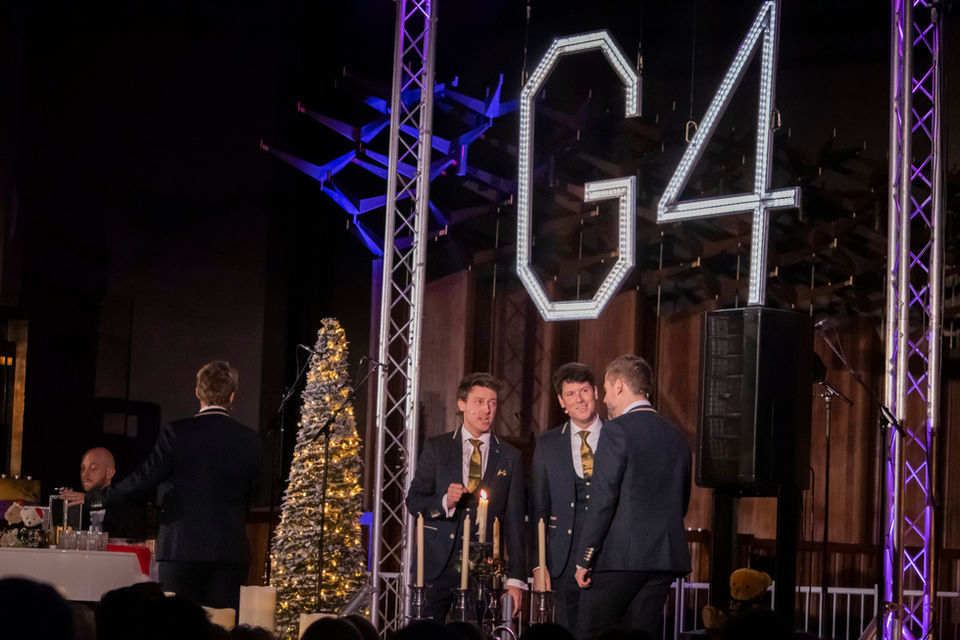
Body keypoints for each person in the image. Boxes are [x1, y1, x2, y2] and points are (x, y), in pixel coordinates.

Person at [65, 361, 263, 611]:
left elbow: (141, 482)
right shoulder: (249, 440)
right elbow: (257, 495)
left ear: (197, 392)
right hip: (230, 552)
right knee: (222, 626)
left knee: (176, 625)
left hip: (181, 549)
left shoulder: (177, 433)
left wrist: (94, 498)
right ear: (232, 396)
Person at [573, 355, 691, 640]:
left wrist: (585, 556)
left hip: (618, 559)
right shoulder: (676, 435)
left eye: (605, 389)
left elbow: (603, 498)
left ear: (620, 386)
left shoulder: (617, 430)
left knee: (591, 634)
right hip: (663, 559)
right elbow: (681, 500)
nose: (604, 399)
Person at [405, 372, 526, 622]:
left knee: (475, 632)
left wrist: (516, 580)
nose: (487, 410)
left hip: (483, 569)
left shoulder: (510, 456)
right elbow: (414, 501)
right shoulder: (437, 447)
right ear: (462, 404)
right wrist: (444, 502)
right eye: (479, 402)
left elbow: (515, 523)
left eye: (492, 403)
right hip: (435, 565)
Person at [529, 362, 602, 631]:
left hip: (608, 558)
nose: (579, 400)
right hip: (563, 561)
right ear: (561, 401)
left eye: (584, 391)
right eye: (571, 394)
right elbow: (538, 508)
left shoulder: (617, 436)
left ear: (595, 392)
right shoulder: (547, 444)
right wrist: (538, 565)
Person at [67, 447, 147, 539]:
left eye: (93, 468)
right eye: (82, 468)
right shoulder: (76, 508)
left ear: (110, 473)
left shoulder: (130, 511)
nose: (85, 474)